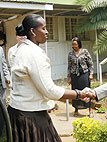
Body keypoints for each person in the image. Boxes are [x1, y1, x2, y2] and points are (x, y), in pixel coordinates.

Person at [7, 14, 94, 142]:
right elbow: (49, 90)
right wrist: (79, 93)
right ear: (32, 31)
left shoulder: (20, 49)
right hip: (31, 116)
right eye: (43, 29)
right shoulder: (34, 54)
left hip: (17, 112)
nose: (47, 32)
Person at [67, 37, 94, 118]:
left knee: (87, 92)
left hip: (84, 74)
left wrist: (91, 74)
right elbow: (69, 66)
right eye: (73, 45)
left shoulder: (85, 52)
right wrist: (69, 77)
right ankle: (76, 109)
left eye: (75, 44)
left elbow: (90, 64)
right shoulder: (70, 54)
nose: (74, 46)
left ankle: (90, 110)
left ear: (79, 44)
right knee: (75, 92)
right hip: (74, 75)